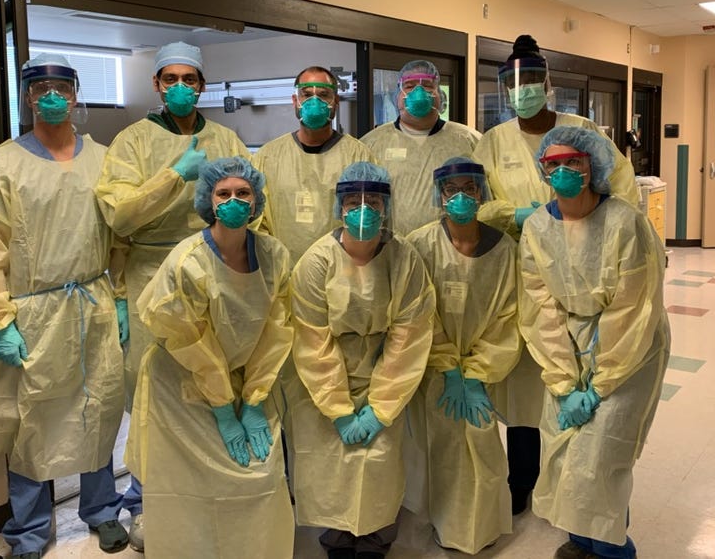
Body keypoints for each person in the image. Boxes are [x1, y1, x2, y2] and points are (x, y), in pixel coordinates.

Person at [0, 54, 128, 559]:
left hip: (93, 304)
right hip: (32, 313)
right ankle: (30, 529)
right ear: (26, 96)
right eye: (40, 88)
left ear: (77, 95)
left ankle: (101, 511)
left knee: (97, 410)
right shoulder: (3, 162)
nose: (51, 96)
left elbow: (119, 234)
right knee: (29, 420)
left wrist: (118, 298)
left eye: (61, 87)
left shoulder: (104, 159)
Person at [472, 34, 640, 515]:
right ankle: (523, 482)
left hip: (586, 276)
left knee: (586, 384)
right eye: (513, 82)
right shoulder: (493, 142)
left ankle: (588, 498)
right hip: (526, 276)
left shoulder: (582, 131)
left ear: (548, 84)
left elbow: (622, 193)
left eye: (531, 80)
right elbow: (479, 203)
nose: (522, 90)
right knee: (528, 383)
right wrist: (518, 214)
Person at [94, 41, 249, 550]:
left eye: (190, 78)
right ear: (156, 84)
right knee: (154, 394)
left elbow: (251, 202)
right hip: (149, 272)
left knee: (213, 381)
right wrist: (171, 177)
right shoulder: (132, 141)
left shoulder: (226, 137)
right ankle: (144, 502)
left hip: (213, 270)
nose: (181, 87)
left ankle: (208, 496)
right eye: (170, 79)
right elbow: (119, 214)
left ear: (202, 84)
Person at [124, 156, 294, 557]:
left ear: (257, 201)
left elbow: (276, 332)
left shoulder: (274, 255)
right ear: (208, 201)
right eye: (224, 193)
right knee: (191, 486)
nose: (234, 200)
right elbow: (189, 342)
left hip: (245, 379)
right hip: (181, 382)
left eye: (243, 193)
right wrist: (222, 407)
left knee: (260, 476)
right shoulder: (188, 262)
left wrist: (252, 400)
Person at [518, 126, 669, 559]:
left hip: (631, 351)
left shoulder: (625, 222)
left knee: (603, 456)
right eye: (554, 163)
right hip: (565, 345)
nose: (563, 170)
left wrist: (600, 384)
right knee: (567, 452)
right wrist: (565, 382)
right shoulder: (537, 228)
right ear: (542, 170)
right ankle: (583, 541)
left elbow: (632, 309)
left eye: (574, 162)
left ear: (592, 166)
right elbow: (539, 309)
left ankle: (613, 550)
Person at [290, 161, 435, 559]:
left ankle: (375, 539)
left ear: (388, 207)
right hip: (326, 379)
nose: (364, 208)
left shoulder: (403, 259)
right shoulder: (316, 261)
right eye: (353, 200)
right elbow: (311, 338)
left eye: (374, 200)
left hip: (384, 375)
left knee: (380, 464)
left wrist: (380, 407)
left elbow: (410, 336)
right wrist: (337, 408)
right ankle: (336, 536)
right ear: (338, 207)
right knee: (330, 462)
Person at [405, 157, 520, 554]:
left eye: (469, 189)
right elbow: (418, 312)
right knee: (440, 448)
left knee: (482, 443)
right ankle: (444, 522)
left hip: (481, 372)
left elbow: (508, 316)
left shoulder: (504, 249)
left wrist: (475, 372)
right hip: (434, 367)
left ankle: (482, 525)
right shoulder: (420, 244)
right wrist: (447, 366)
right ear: (439, 196)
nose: (460, 197)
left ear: (482, 194)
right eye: (451, 190)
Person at [252, 65, 374, 265]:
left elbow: (368, 216)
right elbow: (257, 220)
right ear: (295, 101)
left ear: (336, 102)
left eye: (324, 95)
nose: (314, 102)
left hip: (340, 270)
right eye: (306, 95)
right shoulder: (268, 156)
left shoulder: (358, 155)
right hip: (283, 268)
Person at [361, 59, 480, 235]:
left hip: (450, 250)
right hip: (391, 250)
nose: (418, 92)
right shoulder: (371, 143)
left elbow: (485, 197)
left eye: (427, 85)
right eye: (409, 86)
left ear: (439, 94)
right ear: (398, 95)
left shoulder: (469, 140)